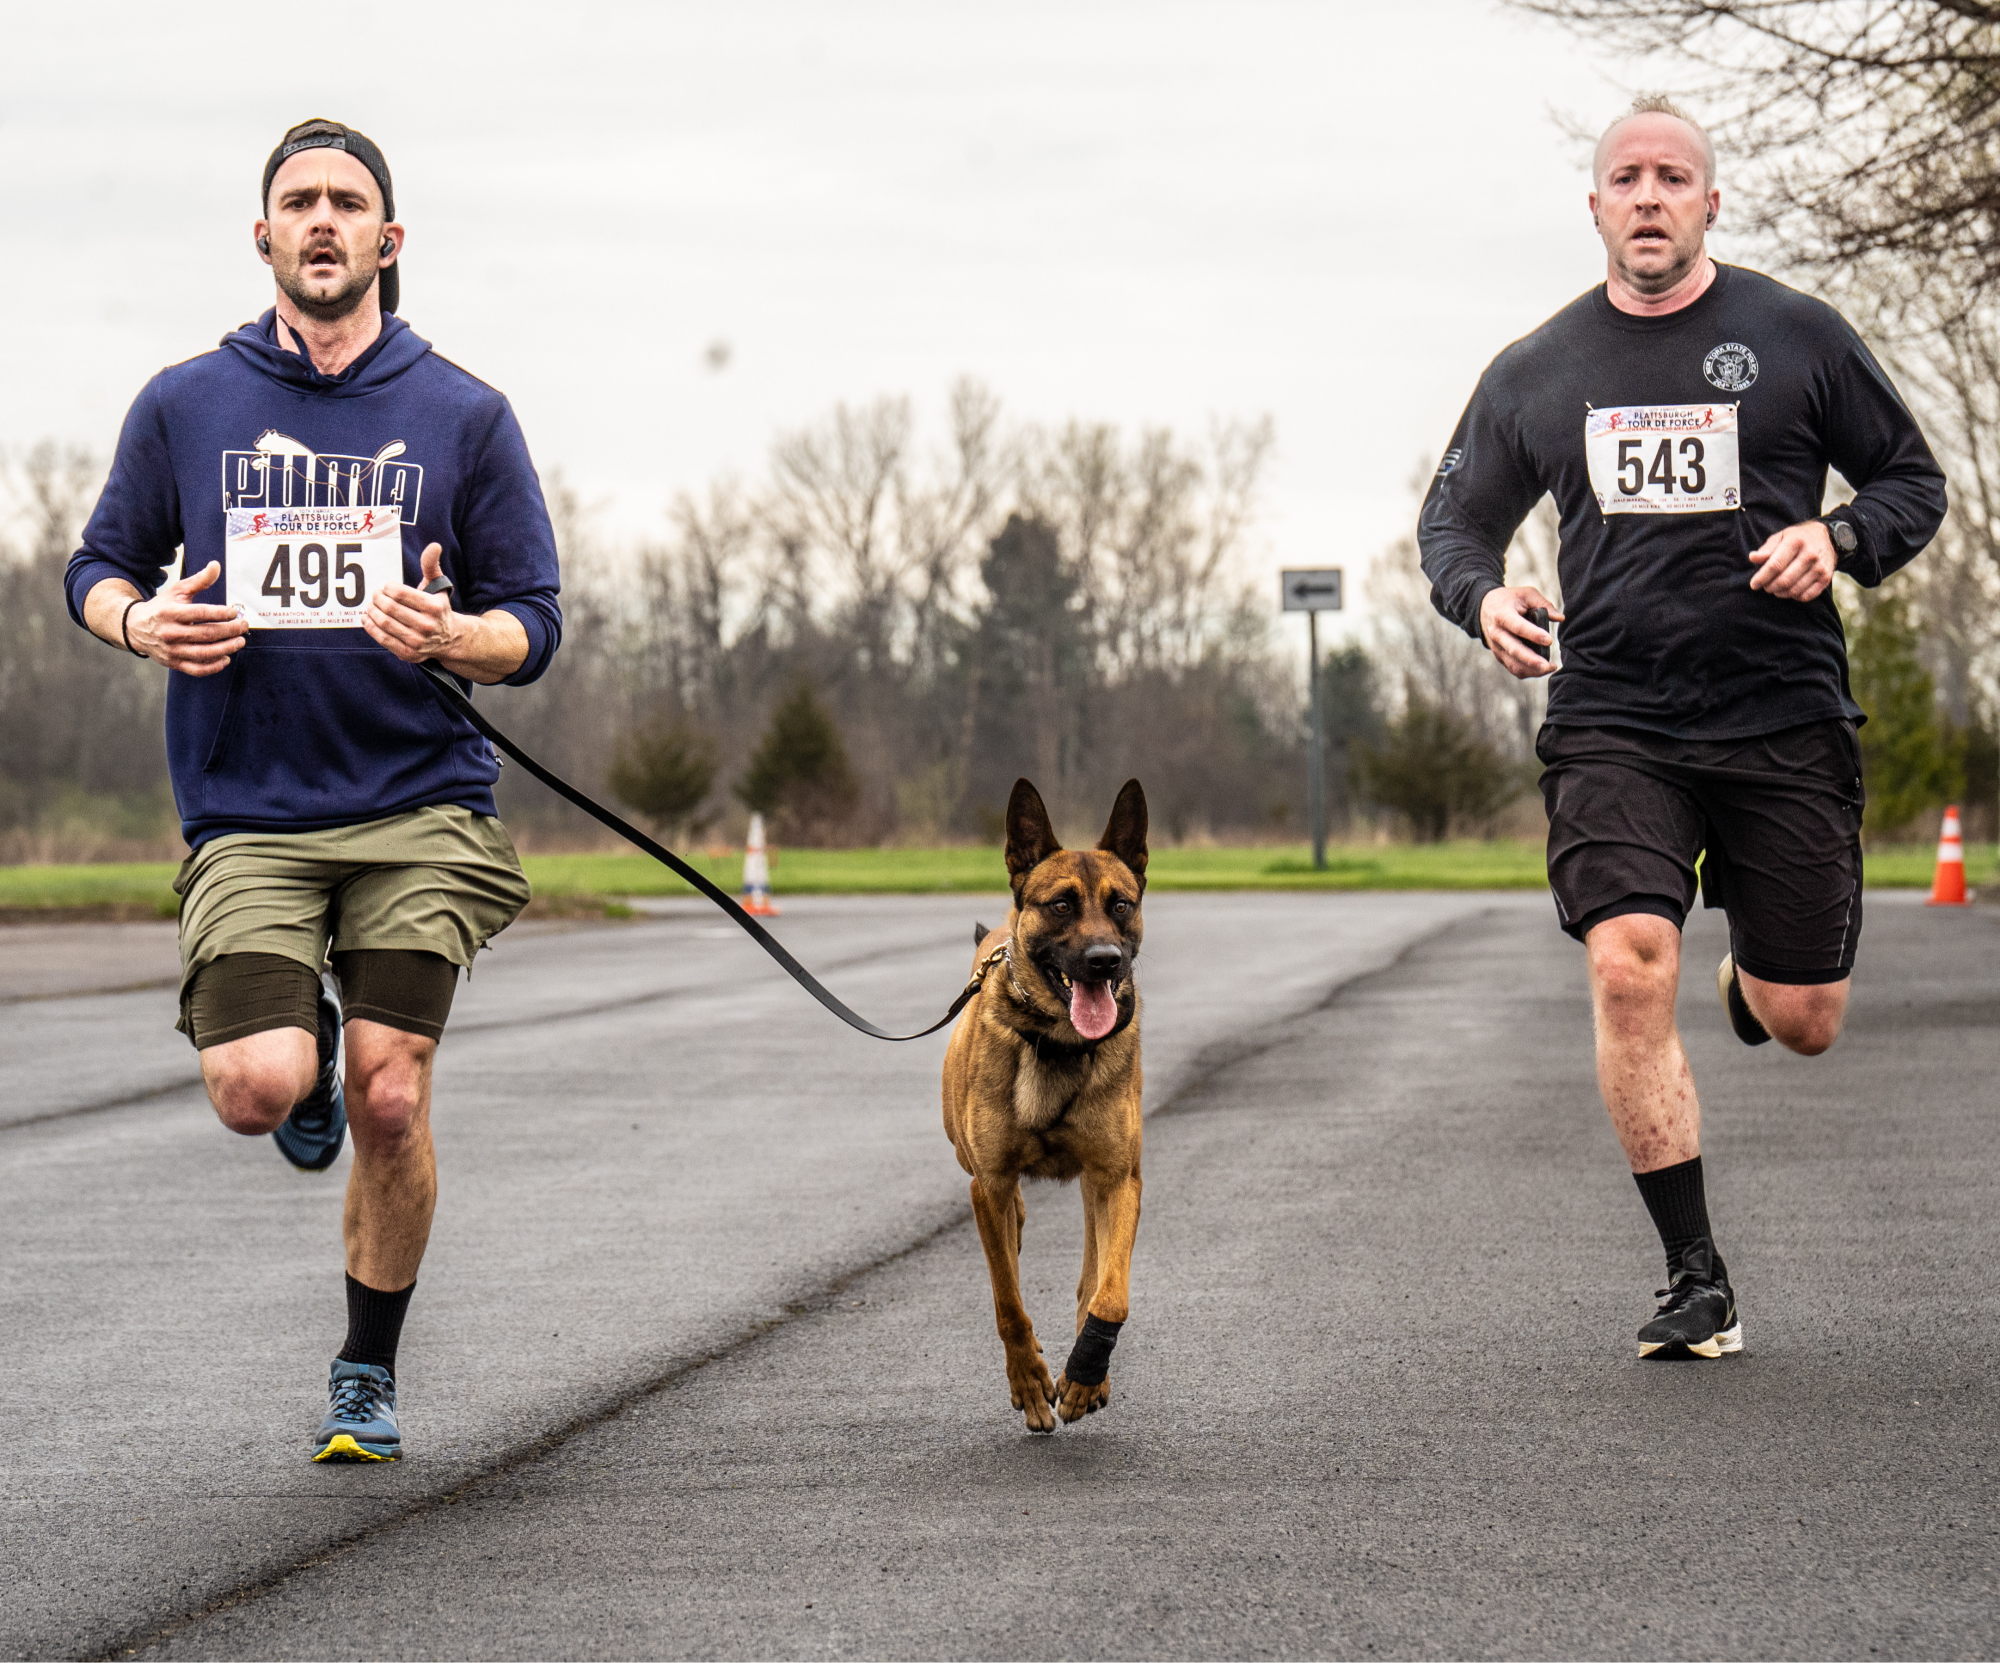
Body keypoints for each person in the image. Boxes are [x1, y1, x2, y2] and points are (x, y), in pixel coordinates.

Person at [1418, 96, 1946, 1358]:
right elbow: (1450, 527)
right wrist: (1481, 597)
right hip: (1614, 716)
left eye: (1670, 178)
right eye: (1623, 179)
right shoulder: (1534, 370)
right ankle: (1693, 1274)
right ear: (1592, 208)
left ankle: (1753, 979)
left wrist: (1838, 536)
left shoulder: (1795, 335)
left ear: (1710, 202)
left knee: (1805, 1014)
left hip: (1778, 714)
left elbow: (1909, 481)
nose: (1646, 197)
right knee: (1623, 961)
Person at [64, 119, 562, 1456]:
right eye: (300, 202)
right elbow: (95, 565)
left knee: (396, 1092)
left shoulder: (464, 413)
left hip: (417, 803)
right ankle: (310, 1046)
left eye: (349, 202)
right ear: (266, 236)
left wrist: (454, 637)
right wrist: (143, 624)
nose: (324, 220)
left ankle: (366, 1367)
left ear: (389, 241)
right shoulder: (187, 402)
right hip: (252, 810)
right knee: (255, 1087)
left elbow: (536, 622)